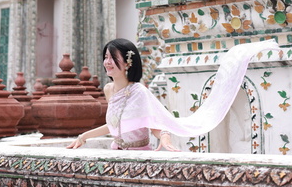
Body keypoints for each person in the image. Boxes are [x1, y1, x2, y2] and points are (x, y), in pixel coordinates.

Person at [67, 37, 279, 151]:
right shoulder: (108, 89)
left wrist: (165, 138)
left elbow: (154, 123)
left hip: (140, 154)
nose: (107, 63)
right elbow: (116, 125)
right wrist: (83, 137)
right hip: (117, 151)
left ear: (128, 62)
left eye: (112, 58)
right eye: (105, 57)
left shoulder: (138, 92)